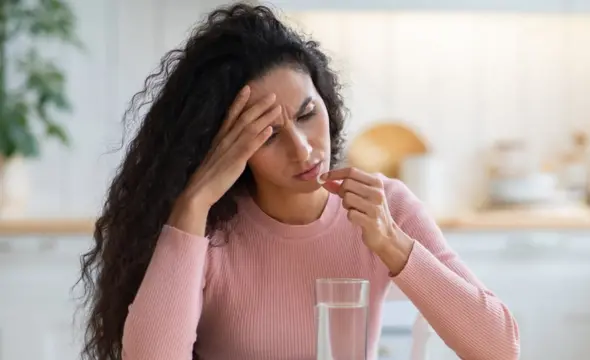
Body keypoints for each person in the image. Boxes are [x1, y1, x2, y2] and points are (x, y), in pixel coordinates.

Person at [77, 3, 520, 360]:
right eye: (269, 136)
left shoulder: (387, 205)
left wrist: (391, 244)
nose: (305, 150)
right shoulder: (205, 228)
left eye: (308, 115)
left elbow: (499, 348)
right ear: (227, 146)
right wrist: (193, 203)